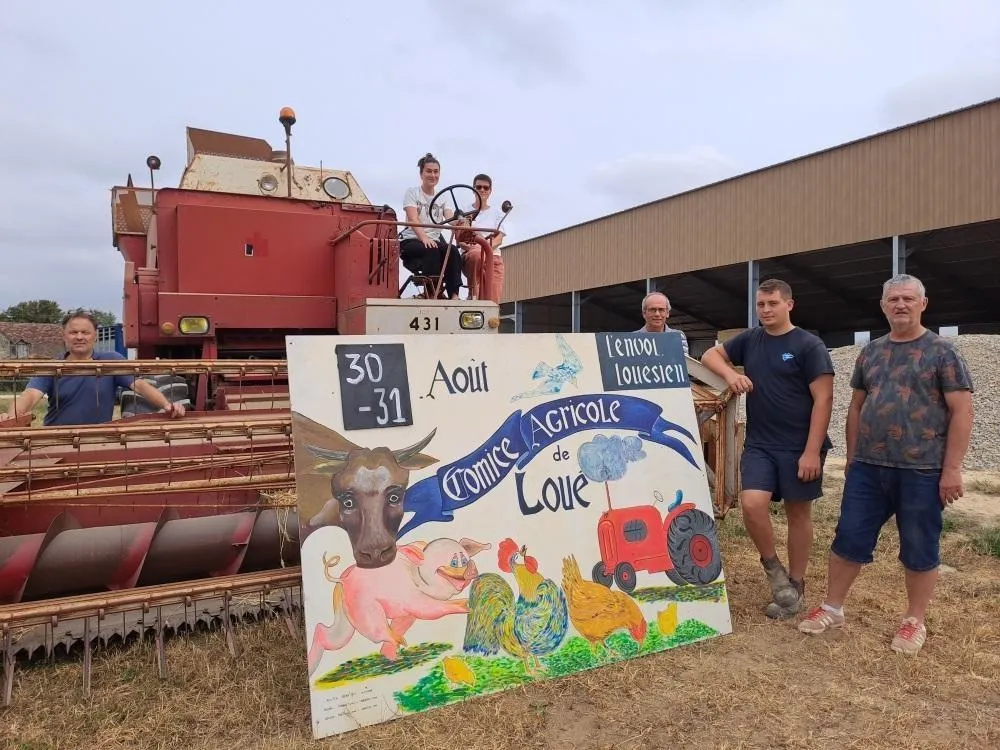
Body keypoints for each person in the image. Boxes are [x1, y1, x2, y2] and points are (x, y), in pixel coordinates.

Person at [798, 274, 974, 655]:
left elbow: (962, 411)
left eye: (908, 298)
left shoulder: (943, 352)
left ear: (923, 304)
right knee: (848, 537)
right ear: (883, 306)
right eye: (893, 299)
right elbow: (857, 406)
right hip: (868, 467)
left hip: (922, 469)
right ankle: (832, 608)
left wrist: (952, 469)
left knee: (919, 545)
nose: (901, 305)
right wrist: (852, 457)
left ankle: (914, 621)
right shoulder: (871, 353)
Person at [700, 279, 834, 619]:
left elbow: (824, 399)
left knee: (797, 514)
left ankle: (796, 584)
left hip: (799, 446)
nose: (766, 310)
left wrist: (811, 451)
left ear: (789, 304)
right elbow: (710, 354)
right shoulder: (751, 339)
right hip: (760, 443)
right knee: (751, 503)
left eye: (773, 303)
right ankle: (775, 572)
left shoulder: (809, 345)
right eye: (761, 304)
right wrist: (730, 375)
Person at [0, 310, 185, 426]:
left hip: (97, 438)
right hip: (57, 438)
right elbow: (31, 395)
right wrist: (11, 416)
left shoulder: (111, 361)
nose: (79, 337)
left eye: (85, 332)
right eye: (73, 332)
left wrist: (167, 405)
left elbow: (140, 385)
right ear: (64, 336)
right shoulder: (52, 367)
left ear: (95, 336)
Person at [398, 153, 463, 300]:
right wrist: (424, 238)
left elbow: (450, 218)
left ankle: (454, 295)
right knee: (432, 248)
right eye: (428, 171)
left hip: (433, 242)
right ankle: (432, 292)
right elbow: (413, 218)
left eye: (436, 172)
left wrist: (460, 220)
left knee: (452, 250)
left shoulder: (443, 197)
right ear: (421, 174)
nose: (433, 175)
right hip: (412, 240)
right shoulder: (412, 193)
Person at [458, 173, 506, 302]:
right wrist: (477, 249)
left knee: (492, 302)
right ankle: (473, 294)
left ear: (490, 191)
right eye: (479, 187)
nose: (482, 190)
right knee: (476, 255)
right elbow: (461, 239)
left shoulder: (498, 213)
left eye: (486, 188)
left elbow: (499, 239)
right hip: (472, 254)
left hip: (492, 256)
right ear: (473, 189)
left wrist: (485, 249)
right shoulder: (464, 212)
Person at [636, 292, 689, 356]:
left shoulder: (678, 336)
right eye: (652, 309)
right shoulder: (632, 339)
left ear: (667, 313)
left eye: (661, 310)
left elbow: (684, 361)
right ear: (644, 313)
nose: (657, 314)